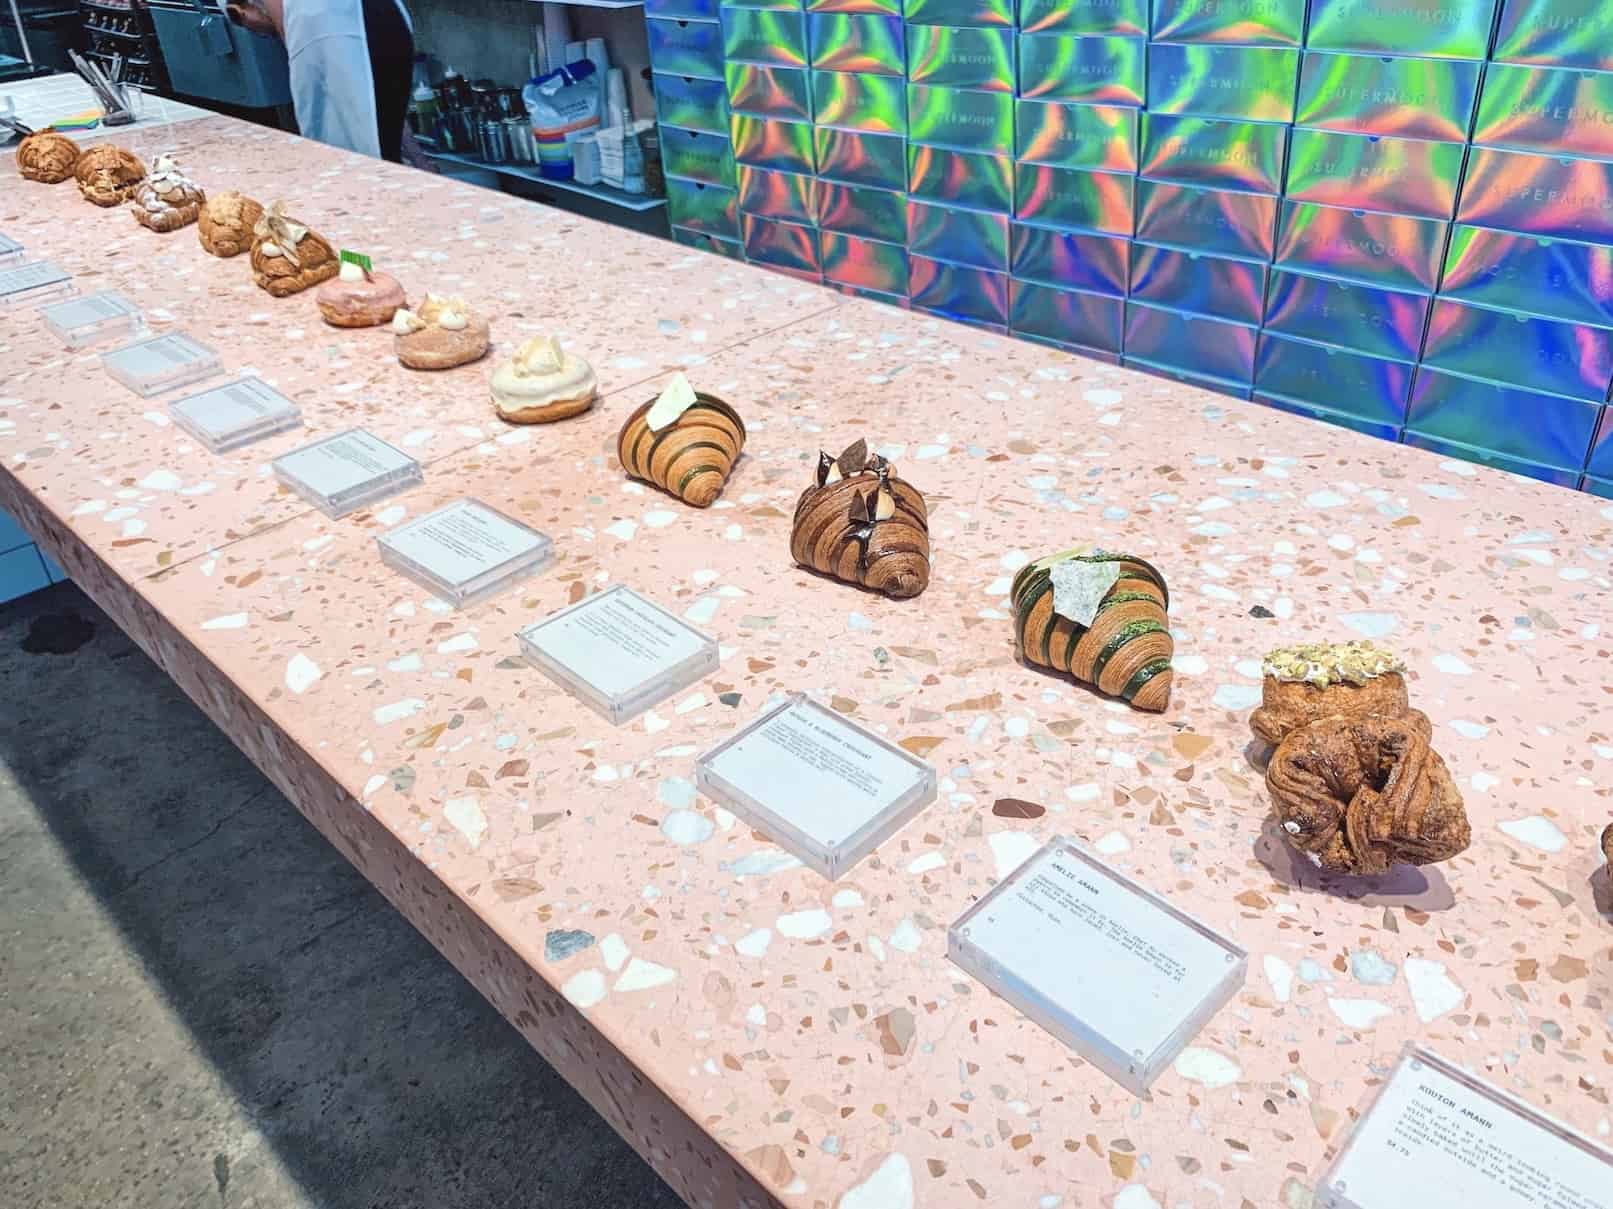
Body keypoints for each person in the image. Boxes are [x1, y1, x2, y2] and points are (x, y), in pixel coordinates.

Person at [224, 0, 415, 163]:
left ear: (240, 12)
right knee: (384, 139)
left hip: (329, 26)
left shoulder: (302, 20)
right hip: (386, 14)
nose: (265, 35)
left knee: (348, 154)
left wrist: (288, 39)